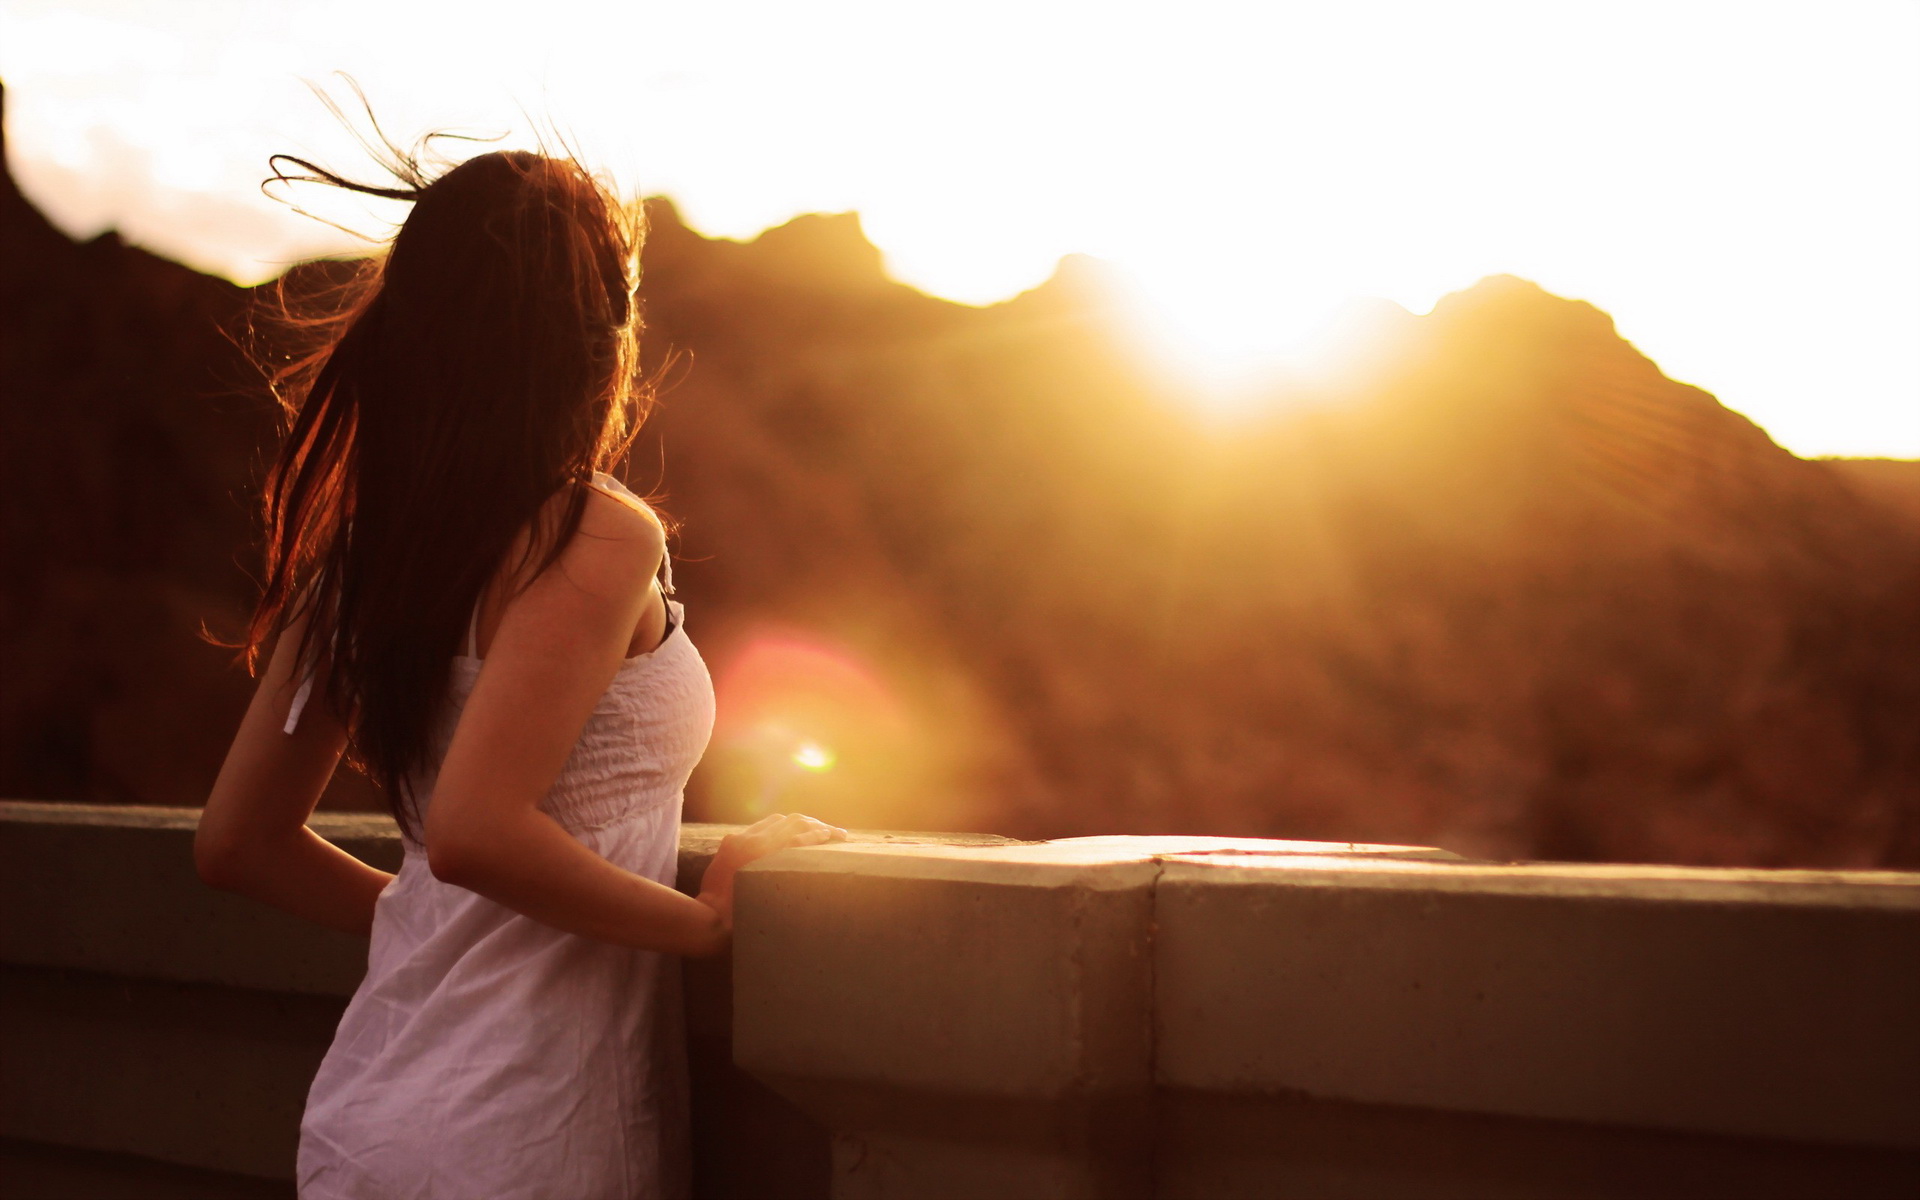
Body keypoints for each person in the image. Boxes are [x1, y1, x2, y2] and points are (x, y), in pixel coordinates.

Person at [193, 142, 845, 1199]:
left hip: (369, 1119)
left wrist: (438, 929)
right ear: (596, 346)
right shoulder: (596, 533)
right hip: (525, 1132)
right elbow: (474, 830)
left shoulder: (365, 555)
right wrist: (710, 923)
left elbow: (236, 842)